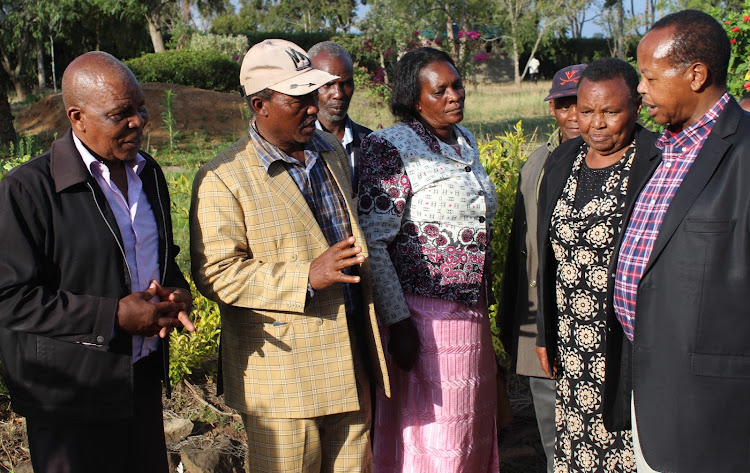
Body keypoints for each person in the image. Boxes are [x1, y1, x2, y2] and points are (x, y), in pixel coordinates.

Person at [190, 39, 390, 473]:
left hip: (350, 361)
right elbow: (216, 274)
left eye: (312, 95)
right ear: (260, 104)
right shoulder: (223, 178)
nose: (313, 108)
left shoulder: (330, 151)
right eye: (296, 99)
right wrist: (306, 275)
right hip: (284, 380)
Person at [0, 51, 194, 473]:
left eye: (141, 108)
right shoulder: (27, 191)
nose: (138, 122)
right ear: (77, 117)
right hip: (69, 398)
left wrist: (176, 291)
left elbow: (161, 256)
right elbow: (10, 297)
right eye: (121, 114)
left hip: (139, 381)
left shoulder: (149, 174)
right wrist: (114, 316)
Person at [606, 10, 750, 473]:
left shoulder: (744, 152)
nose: (639, 89)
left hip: (712, 410)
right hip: (650, 389)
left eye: (648, 76)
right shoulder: (663, 148)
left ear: (696, 74)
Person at [358, 47, 500, 473]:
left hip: (470, 311)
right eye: (441, 90)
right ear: (415, 100)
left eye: (457, 86)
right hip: (422, 317)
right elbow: (374, 240)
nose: (455, 96)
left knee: (470, 424)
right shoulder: (389, 147)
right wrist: (399, 323)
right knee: (438, 432)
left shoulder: (464, 141)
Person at [536, 58, 659, 472]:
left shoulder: (656, 162)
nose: (596, 124)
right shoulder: (563, 160)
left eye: (611, 111)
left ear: (637, 107)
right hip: (572, 343)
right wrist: (545, 331)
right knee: (577, 446)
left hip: (628, 342)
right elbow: (548, 257)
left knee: (628, 442)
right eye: (587, 111)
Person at [500, 63, 587, 473]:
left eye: (581, 105)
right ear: (552, 109)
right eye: (563, 105)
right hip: (541, 320)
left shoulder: (624, 159)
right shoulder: (537, 163)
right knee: (552, 432)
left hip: (596, 323)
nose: (573, 116)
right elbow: (521, 248)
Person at [309, 41, 372, 191]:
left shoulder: (370, 142)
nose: (338, 94)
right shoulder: (297, 145)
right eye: (328, 84)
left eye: (346, 84)